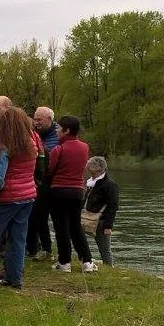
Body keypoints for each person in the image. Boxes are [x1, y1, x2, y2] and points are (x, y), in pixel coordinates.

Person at [0, 107, 39, 291]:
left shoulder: (6, 146)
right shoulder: (30, 142)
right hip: (27, 196)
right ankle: (14, 277)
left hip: (7, 198)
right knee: (18, 237)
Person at [47, 115, 96, 272]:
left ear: (66, 130)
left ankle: (64, 262)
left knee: (61, 228)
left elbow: (49, 170)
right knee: (76, 226)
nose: (56, 130)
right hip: (77, 191)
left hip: (59, 191)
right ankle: (87, 262)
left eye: (58, 128)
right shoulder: (85, 147)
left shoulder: (58, 149)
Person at [26, 106, 60, 260]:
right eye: (35, 119)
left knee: (50, 218)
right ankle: (35, 248)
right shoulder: (35, 134)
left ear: (49, 119)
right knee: (35, 217)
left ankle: (49, 250)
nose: (36, 122)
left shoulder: (58, 135)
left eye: (39, 119)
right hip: (38, 182)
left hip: (53, 183)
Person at [84, 156, 119, 266]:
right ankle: (85, 261)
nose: (87, 166)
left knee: (105, 250)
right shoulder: (89, 182)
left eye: (90, 164)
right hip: (86, 217)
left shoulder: (110, 184)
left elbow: (113, 206)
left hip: (102, 221)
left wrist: (108, 226)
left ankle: (109, 268)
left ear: (98, 168)